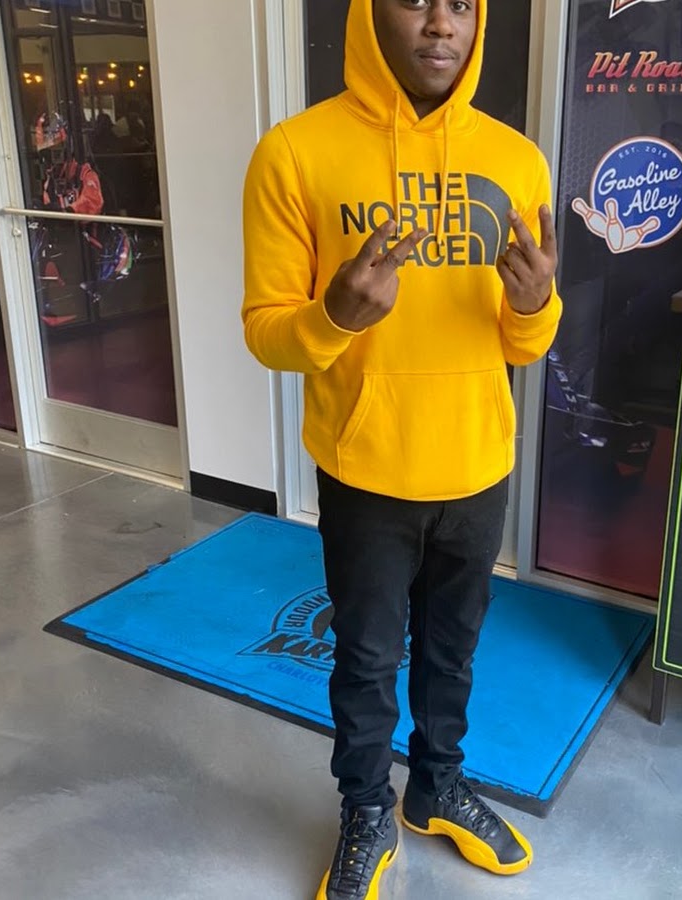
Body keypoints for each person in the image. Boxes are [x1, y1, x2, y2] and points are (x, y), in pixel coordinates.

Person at [242, 1, 562, 897]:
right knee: (367, 658)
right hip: (368, 468)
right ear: (368, 13)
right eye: (415, 0)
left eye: (460, 5)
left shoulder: (516, 159)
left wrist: (536, 304)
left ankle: (436, 787)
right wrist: (335, 315)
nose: (439, 25)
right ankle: (365, 809)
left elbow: (525, 341)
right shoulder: (295, 152)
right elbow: (266, 331)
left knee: (453, 652)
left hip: (478, 462)